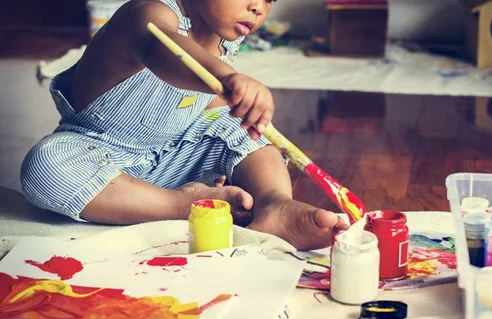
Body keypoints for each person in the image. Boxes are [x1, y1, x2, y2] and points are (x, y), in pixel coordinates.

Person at [20, 0, 348, 250]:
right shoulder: (148, 16)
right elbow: (166, 49)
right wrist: (226, 78)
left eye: (269, 0)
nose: (257, 9)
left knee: (241, 130)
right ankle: (182, 204)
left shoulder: (222, 39)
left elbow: (190, 102)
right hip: (96, 158)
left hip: (167, 158)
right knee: (47, 163)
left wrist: (240, 110)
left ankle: (274, 204)